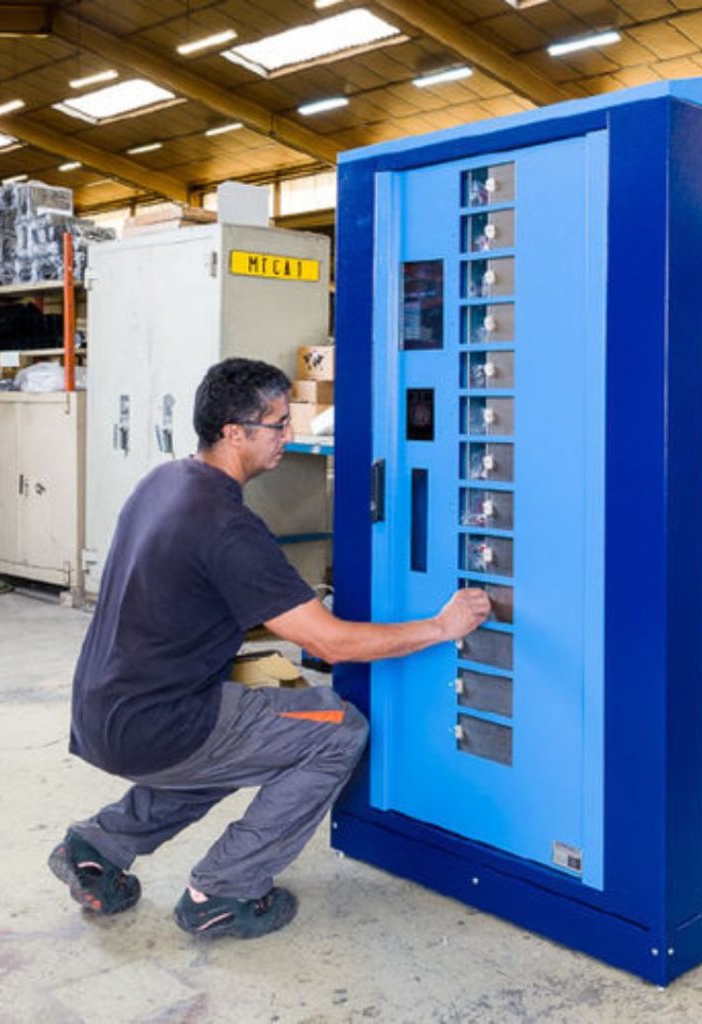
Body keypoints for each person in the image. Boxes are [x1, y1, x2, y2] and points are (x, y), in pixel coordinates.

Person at [49, 357, 490, 939]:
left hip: (107, 712)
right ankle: (223, 891)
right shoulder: (227, 527)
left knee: (247, 738)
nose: (290, 435)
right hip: (163, 721)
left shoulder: (165, 481)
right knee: (338, 730)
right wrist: (441, 626)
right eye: (278, 424)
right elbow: (331, 642)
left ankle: (98, 847)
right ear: (235, 433)